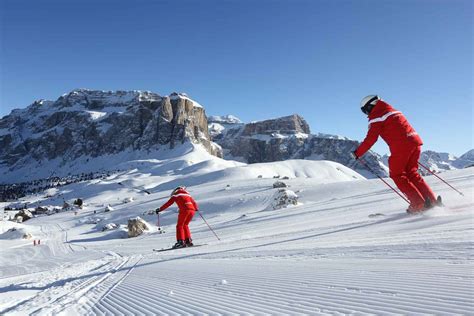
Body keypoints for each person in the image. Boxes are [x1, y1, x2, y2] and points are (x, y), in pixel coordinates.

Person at [353, 95, 440, 213]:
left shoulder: (377, 116)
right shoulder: (393, 111)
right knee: (412, 174)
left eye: (365, 110)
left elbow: (371, 139)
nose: (366, 114)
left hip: (401, 146)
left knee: (398, 175)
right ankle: (432, 202)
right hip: (415, 143)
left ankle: (419, 204)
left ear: (370, 106)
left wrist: (358, 153)